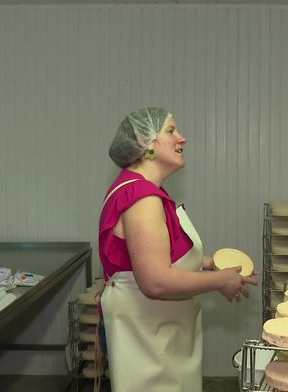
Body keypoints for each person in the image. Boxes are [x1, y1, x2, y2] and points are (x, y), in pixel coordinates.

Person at [98, 107, 257, 392]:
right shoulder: (141, 197)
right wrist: (220, 281)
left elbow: (156, 256)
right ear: (145, 143)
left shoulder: (140, 190)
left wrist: (210, 263)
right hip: (147, 337)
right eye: (171, 131)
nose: (182, 138)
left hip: (158, 334)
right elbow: (155, 280)